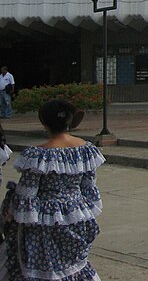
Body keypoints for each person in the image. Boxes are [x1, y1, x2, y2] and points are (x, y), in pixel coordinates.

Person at [0, 99, 105, 280]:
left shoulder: (39, 155)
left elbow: (27, 196)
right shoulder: (86, 149)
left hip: (45, 222)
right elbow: (89, 188)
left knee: (48, 271)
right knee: (73, 267)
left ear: (44, 122)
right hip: (76, 216)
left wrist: (9, 205)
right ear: (69, 121)